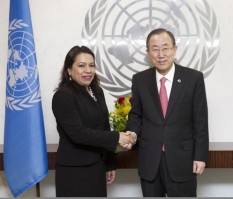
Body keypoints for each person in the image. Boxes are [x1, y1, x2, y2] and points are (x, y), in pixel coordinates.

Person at [126, 28, 209, 197]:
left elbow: (200, 121)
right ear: (148, 52)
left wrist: (200, 156)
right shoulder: (140, 80)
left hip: (182, 160)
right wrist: (132, 133)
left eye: (165, 48)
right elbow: (136, 115)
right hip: (150, 160)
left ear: (174, 49)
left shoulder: (194, 78)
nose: (161, 54)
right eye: (155, 49)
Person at [52, 45, 136, 197]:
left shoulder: (97, 90)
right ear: (69, 70)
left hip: (97, 167)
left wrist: (110, 163)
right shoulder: (63, 96)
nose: (88, 70)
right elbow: (78, 134)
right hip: (74, 171)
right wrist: (118, 136)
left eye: (91, 65)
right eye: (81, 65)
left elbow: (104, 127)